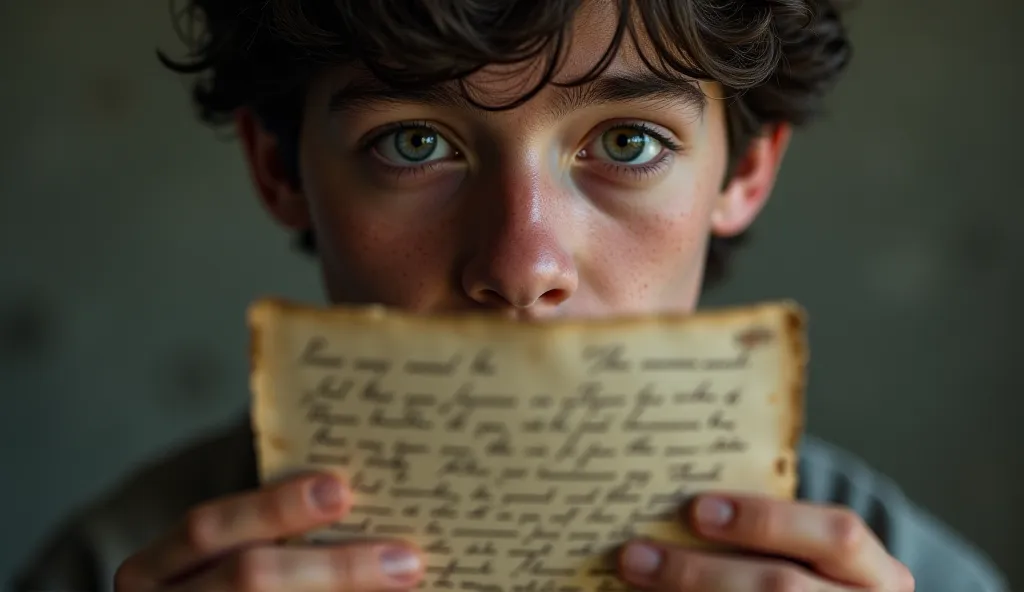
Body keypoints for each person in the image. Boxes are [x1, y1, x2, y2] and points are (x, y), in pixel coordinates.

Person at [12, 1, 1010, 590]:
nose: (523, 262)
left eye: (627, 143)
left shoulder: (894, 567)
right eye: (414, 142)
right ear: (278, 168)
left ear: (743, 172)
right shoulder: (114, 564)